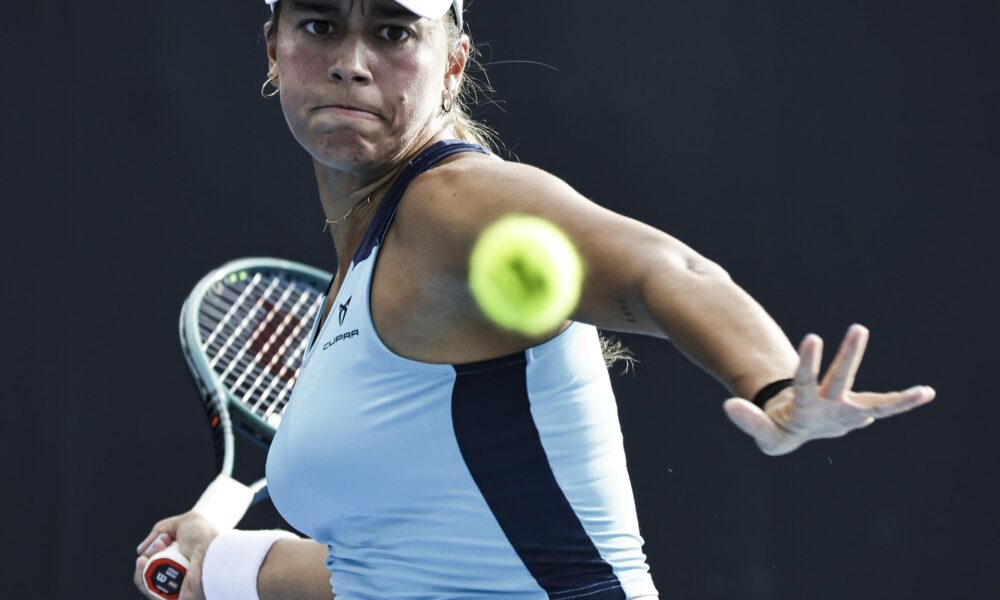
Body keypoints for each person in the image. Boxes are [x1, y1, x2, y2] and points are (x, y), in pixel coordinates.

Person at [133, 0, 936, 598]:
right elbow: (392, 570)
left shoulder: (456, 204)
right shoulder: (367, 259)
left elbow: (667, 271)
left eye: (392, 30)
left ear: (452, 62)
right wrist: (216, 561)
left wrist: (771, 383)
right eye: (318, 25)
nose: (351, 60)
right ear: (273, 48)